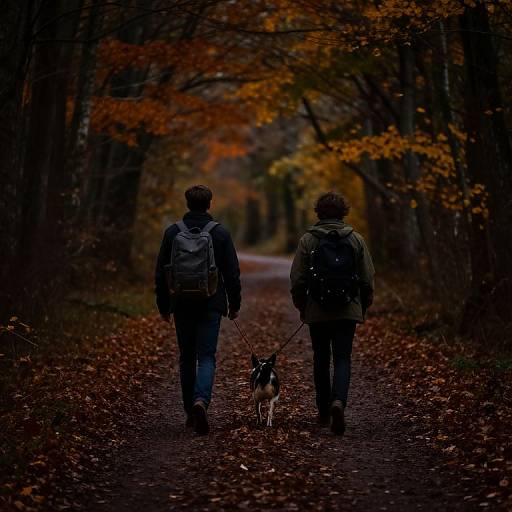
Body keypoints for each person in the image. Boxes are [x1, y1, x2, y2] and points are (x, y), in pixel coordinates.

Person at [155, 185, 241, 435]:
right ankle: (201, 401)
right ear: (209, 204)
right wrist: (234, 305)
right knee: (206, 357)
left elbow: (162, 273)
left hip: (181, 303)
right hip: (211, 303)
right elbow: (232, 273)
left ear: (187, 203)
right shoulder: (220, 233)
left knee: (186, 357)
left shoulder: (172, 233)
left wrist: (164, 306)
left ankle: (190, 414)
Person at [290, 191, 375, 435]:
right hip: (347, 309)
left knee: (320, 358)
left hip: (317, 309)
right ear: (343, 212)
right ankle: (339, 401)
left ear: (319, 212)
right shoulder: (356, 239)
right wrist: (363, 305)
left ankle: (324, 411)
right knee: (342, 357)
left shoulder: (308, 240)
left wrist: (302, 305)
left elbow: (298, 278)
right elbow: (367, 278)